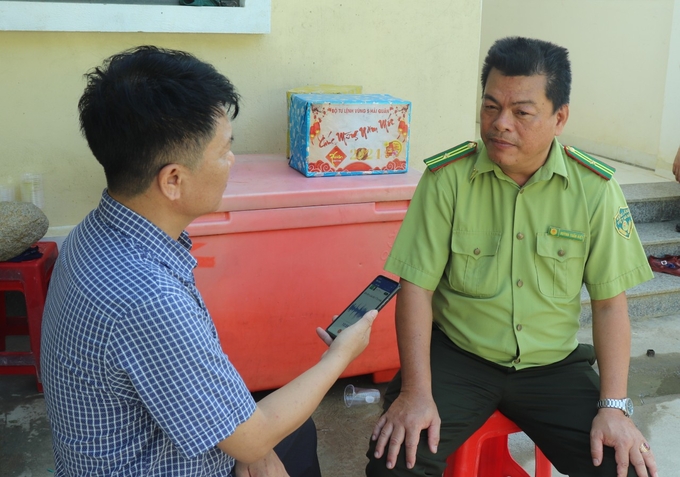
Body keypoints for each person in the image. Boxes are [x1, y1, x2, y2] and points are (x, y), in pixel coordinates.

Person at [40, 45, 378, 477]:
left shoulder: (99, 231)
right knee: (276, 435)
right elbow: (252, 435)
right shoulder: (147, 297)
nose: (232, 162)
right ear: (174, 180)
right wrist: (339, 358)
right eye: (223, 152)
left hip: (139, 446)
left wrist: (255, 449)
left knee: (293, 434)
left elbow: (229, 417)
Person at [365, 37, 659, 477]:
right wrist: (416, 391)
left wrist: (613, 408)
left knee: (625, 467)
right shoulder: (448, 180)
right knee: (396, 461)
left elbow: (610, 305)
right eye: (490, 107)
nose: (500, 124)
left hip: (552, 367)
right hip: (459, 357)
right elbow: (416, 289)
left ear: (559, 117)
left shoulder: (594, 189)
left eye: (521, 112)